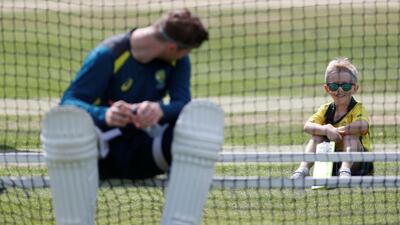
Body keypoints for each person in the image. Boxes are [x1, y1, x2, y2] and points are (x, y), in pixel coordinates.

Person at [60, 8, 209, 180]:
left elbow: (183, 103)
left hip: (146, 148)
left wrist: (160, 110)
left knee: (192, 125)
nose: (187, 55)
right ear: (171, 47)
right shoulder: (108, 55)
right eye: (187, 51)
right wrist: (105, 114)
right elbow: (68, 102)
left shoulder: (178, 60)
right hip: (103, 151)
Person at [291, 57, 373, 179]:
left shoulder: (357, 108)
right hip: (331, 163)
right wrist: (326, 130)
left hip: (358, 162)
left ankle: (345, 170)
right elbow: (307, 126)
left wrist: (339, 131)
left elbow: (362, 126)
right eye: (334, 86)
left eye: (345, 86)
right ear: (327, 89)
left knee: (351, 135)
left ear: (355, 88)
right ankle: (303, 169)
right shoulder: (326, 109)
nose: (339, 90)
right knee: (317, 135)